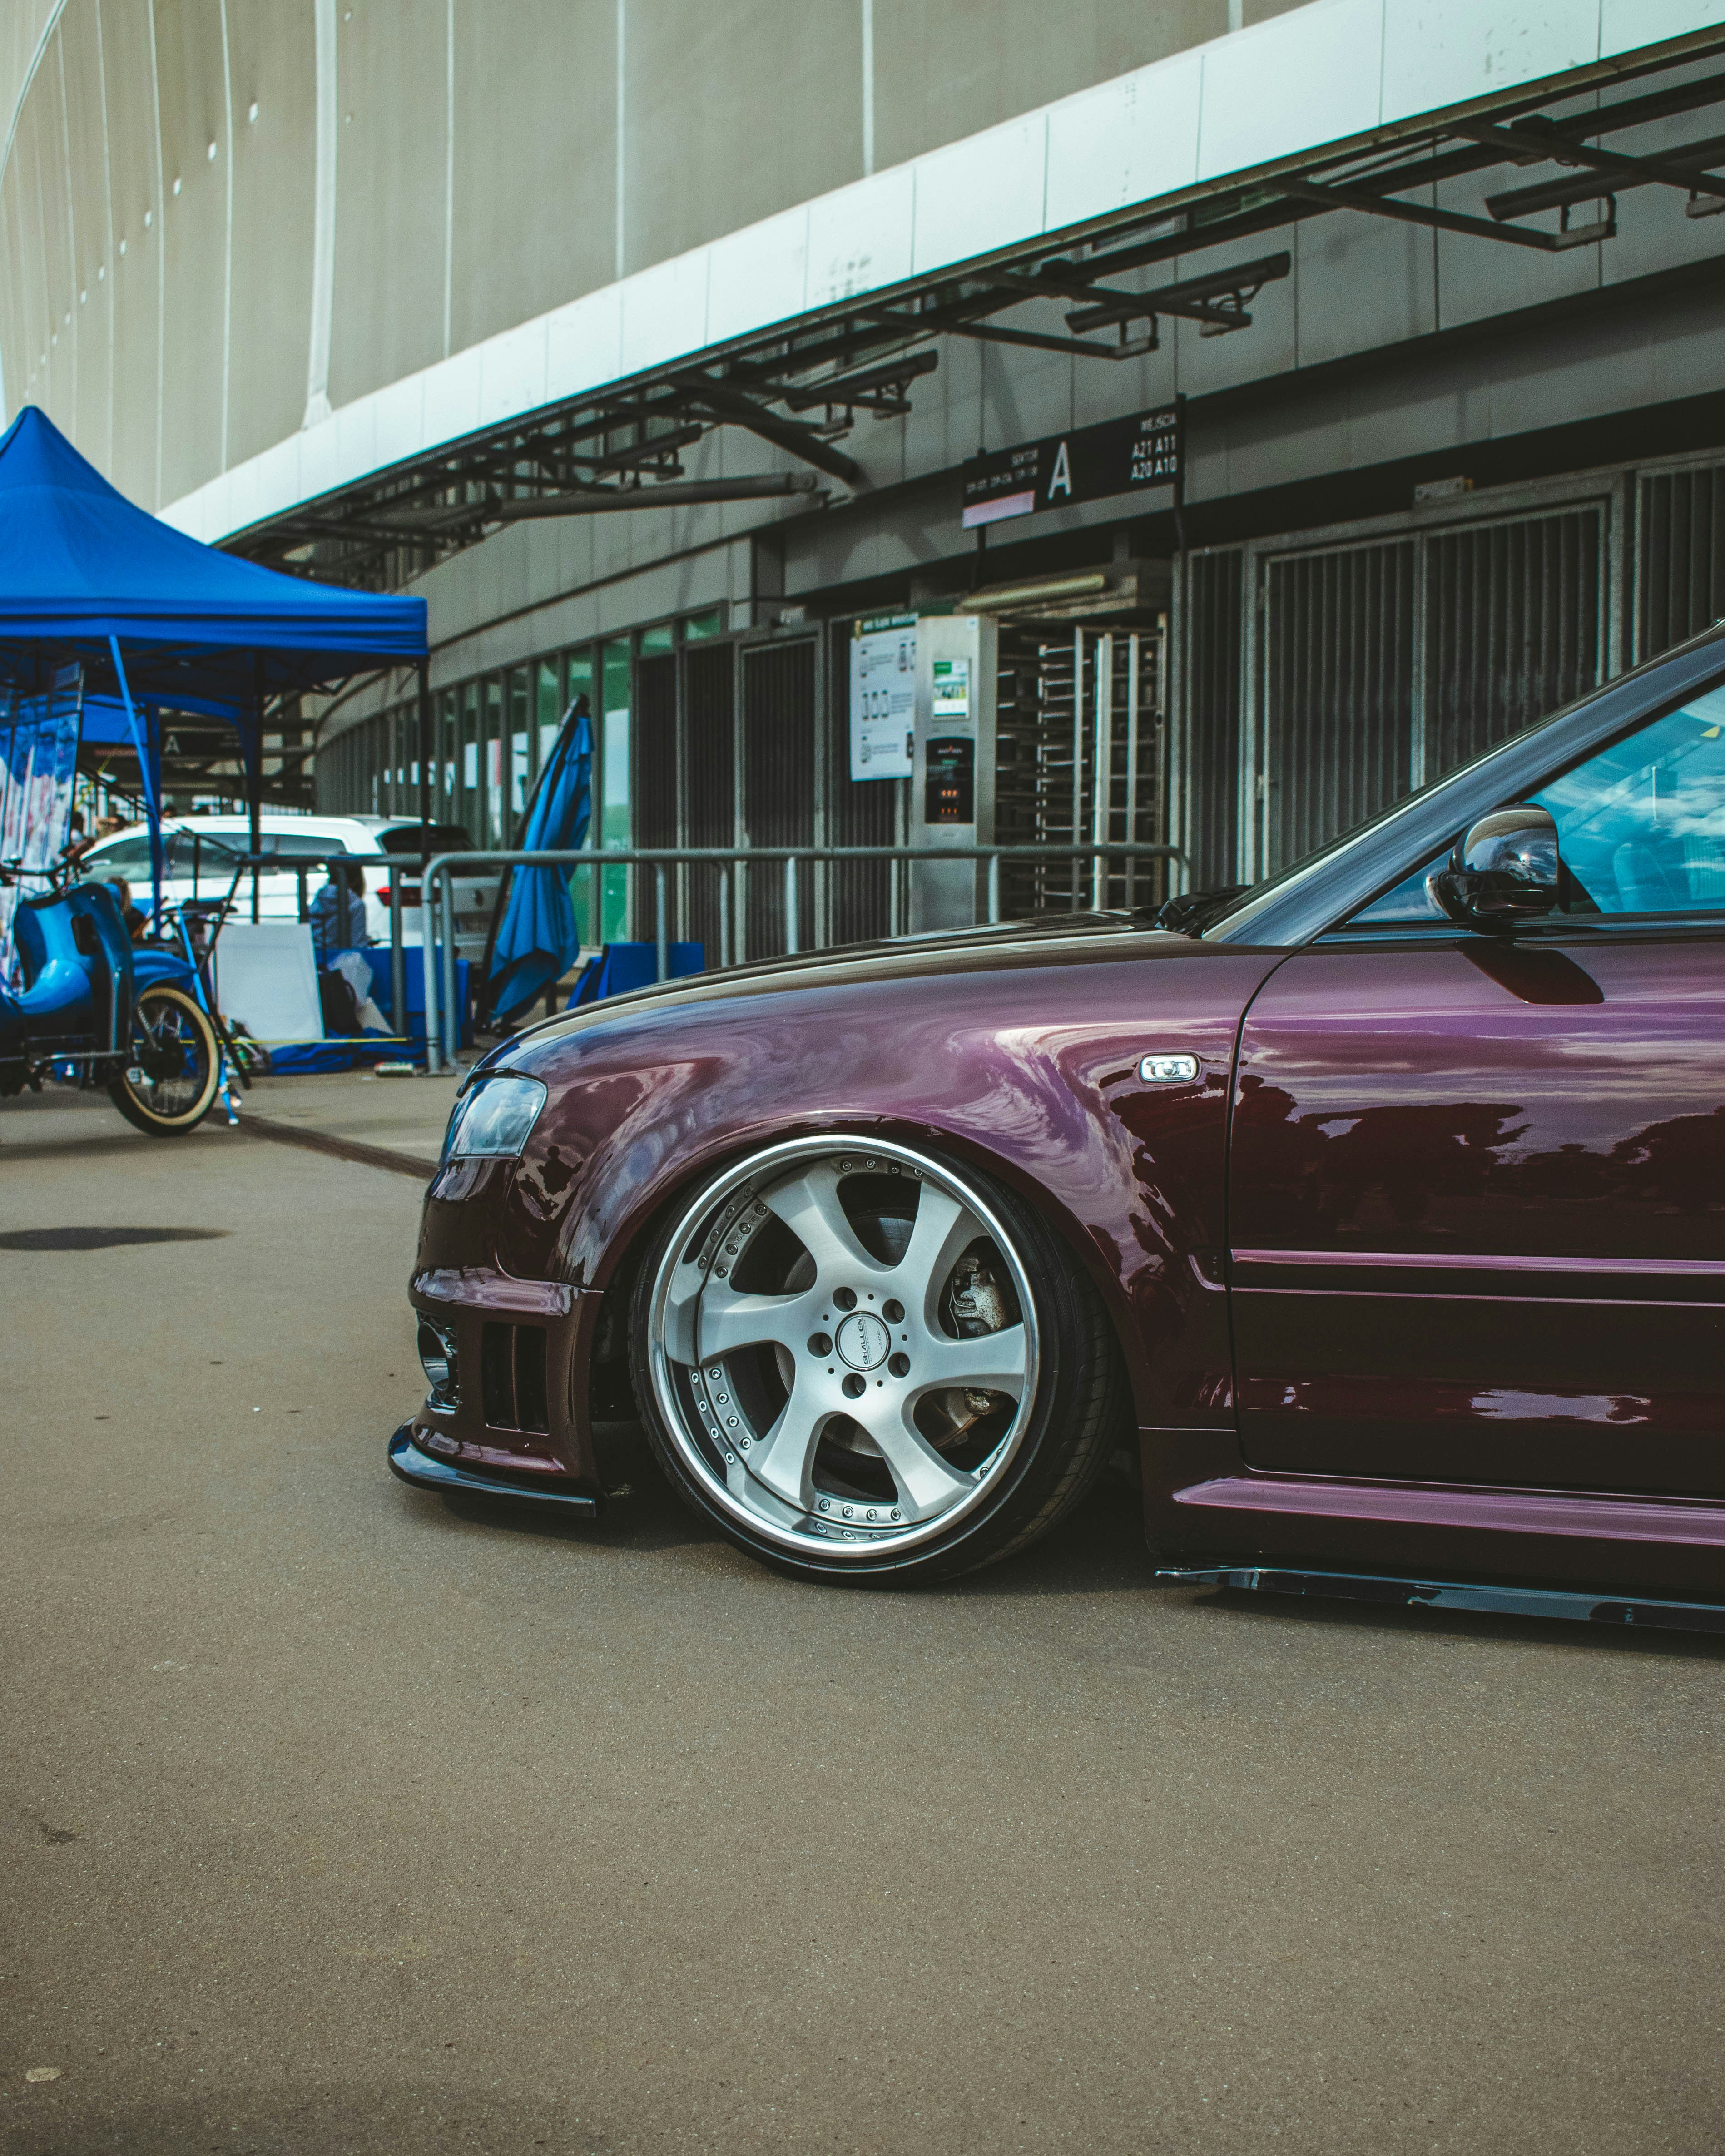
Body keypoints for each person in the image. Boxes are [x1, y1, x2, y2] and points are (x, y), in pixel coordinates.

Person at [309, 858, 371, 963]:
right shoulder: (356, 905)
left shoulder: (319, 899)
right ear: (358, 878)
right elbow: (358, 948)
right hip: (341, 967)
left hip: (314, 961)